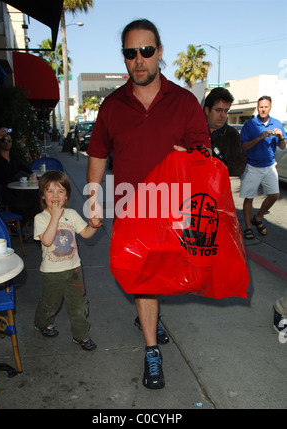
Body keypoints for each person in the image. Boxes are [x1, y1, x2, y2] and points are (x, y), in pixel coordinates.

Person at [86, 19, 211, 389]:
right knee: (142, 281)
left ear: (159, 53)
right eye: (130, 53)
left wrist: (191, 156)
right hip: (130, 211)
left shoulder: (184, 102)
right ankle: (152, 349)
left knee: (165, 274)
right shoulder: (111, 106)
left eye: (146, 51)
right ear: (124, 57)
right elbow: (97, 154)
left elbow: (206, 151)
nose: (139, 60)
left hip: (173, 209)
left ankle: (148, 318)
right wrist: (94, 199)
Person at [34, 170, 98, 351]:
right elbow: (46, 241)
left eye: (60, 191)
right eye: (50, 191)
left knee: (78, 305)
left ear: (67, 196)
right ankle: (42, 322)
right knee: (50, 303)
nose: (55, 196)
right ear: (42, 195)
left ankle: (81, 335)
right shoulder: (40, 218)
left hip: (74, 269)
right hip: (51, 273)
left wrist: (93, 226)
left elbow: (85, 233)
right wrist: (54, 217)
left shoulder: (72, 214)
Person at [240, 96, 286, 240]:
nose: (263, 109)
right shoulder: (250, 125)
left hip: (270, 165)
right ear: (257, 107)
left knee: (275, 195)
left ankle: (258, 217)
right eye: (261, 107)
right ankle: (248, 227)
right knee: (249, 197)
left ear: (270, 107)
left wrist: (281, 137)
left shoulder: (276, 123)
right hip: (252, 166)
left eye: (266, 106)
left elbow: (283, 146)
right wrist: (259, 138)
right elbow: (243, 147)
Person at [0, 127, 38, 222]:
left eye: (9, 140)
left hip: (15, 188)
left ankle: (21, 223)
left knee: (36, 200)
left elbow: (24, 168)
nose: (7, 142)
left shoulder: (13, 158)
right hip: (1, 189)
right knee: (21, 205)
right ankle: (18, 224)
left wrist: (33, 175)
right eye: (4, 140)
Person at [204, 87, 246, 177]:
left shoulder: (232, 134)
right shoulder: (194, 131)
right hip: (194, 185)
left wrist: (219, 167)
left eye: (226, 111)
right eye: (218, 110)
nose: (223, 115)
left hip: (220, 186)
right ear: (207, 110)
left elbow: (240, 166)